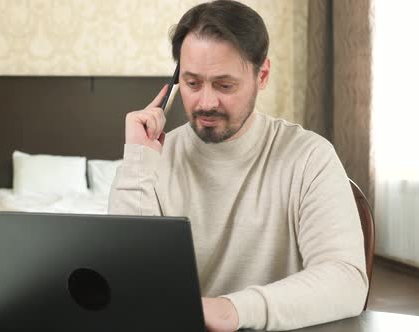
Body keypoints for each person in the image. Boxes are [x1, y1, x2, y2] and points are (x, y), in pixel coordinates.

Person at [108, 0, 368, 331]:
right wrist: (137, 164)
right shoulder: (151, 159)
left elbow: (346, 281)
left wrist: (232, 310)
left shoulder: (309, 157)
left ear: (262, 75)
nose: (205, 102)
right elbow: (126, 280)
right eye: (191, 83)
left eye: (224, 85)